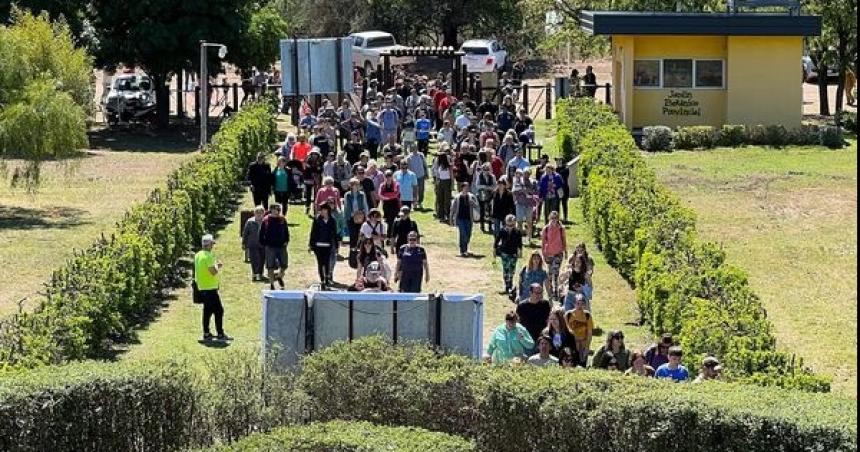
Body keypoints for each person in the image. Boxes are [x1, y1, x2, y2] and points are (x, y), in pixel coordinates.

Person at [195, 234, 229, 341]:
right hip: (210, 289)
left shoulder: (198, 255)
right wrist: (217, 266)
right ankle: (220, 333)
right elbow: (212, 272)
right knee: (219, 311)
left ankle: (206, 333)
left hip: (201, 287)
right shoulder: (208, 256)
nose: (212, 246)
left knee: (207, 311)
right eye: (212, 244)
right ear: (209, 244)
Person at [308, 202, 340, 289]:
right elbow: (313, 232)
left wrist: (336, 246)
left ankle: (327, 278)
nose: (323, 212)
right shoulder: (317, 220)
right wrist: (311, 244)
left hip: (328, 245)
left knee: (327, 263)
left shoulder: (332, 220)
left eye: (324, 210)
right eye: (321, 210)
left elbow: (335, 234)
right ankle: (322, 280)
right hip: (318, 245)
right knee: (320, 263)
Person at [259, 203, 290, 290]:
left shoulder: (282, 219)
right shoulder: (266, 220)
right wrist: (264, 243)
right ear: (271, 210)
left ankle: (280, 276)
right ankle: (272, 284)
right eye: (276, 209)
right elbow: (261, 233)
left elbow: (286, 231)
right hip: (270, 247)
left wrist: (287, 240)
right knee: (270, 266)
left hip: (281, 246)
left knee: (284, 264)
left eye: (278, 210)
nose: (277, 212)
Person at [516, 283, 552, 356]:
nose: (539, 295)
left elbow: (549, 318)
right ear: (530, 293)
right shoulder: (522, 306)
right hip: (528, 339)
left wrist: (548, 328)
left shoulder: (545, 304)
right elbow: (518, 322)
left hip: (542, 338)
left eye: (540, 293)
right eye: (536, 293)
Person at [541, 211, 567, 302]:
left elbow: (564, 240)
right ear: (549, 218)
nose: (554, 220)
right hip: (549, 254)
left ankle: (556, 292)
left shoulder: (561, 228)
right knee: (549, 273)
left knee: (556, 273)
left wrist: (565, 251)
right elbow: (543, 242)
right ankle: (550, 291)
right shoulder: (546, 229)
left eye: (555, 218)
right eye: (552, 218)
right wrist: (543, 254)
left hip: (558, 254)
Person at [494, 214, 523, 294]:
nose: (510, 226)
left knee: (512, 270)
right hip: (505, 253)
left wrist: (520, 252)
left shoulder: (517, 232)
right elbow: (497, 240)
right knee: (506, 269)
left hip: (513, 253)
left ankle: (510, 283)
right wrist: (494, 250)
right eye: (508, 224)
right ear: (505, 223)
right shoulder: (502, 231)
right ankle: (507, 286)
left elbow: (520, 243)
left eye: (512, 225)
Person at [450, 182, 479, 257]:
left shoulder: (471, 196)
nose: (467, 189)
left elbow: (477, 206)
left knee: (468, 234)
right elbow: (453, 209)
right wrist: (451, 219)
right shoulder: (457, 197)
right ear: (462, 188)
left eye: (468, 187)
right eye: (465, 187)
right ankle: (462, 250)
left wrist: (472, 203)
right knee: (463, 234)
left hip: (469, 219)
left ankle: (465, 249)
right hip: (460, 219)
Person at [564, 293, 593, 367]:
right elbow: (567, 328)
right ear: (574, 304)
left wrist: (587, 347)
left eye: (582, 304)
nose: (580, 306)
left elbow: (589, 332)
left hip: (583, 343)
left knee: (582, 363)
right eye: (578, 303)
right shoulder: (568, 314)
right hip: (572, 343)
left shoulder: (587, 315)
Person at [512, 168, 537, 244]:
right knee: (519, 222)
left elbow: (536, 192)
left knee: (529, 222)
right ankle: (519, 239)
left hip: (529, 204)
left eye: (528, 173)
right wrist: (521, 191)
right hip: (520, 203)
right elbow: (513, 191)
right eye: (525, 173)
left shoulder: (533, 182)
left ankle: (529, 238)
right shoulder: (518, 181)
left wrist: (529, 191)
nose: (526, 175)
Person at [241, 206, 266, 281]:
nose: (259, 215)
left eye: (260, 213)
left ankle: (260, 274)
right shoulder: (250, 222)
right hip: (253, 244)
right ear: (254, 213)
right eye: (257, 213)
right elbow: (245, 233)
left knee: (262, 259)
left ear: (263, 214)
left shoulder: (265, 221)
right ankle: (255, 274)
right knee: (254, 260)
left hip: (263, 244)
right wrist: (244, 243)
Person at [344, 177, 369, 249]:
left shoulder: (362, 194)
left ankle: (360, 250)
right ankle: (352, 250)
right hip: (351, 217)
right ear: (350, 186)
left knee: (360, 234)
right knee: (352, 234)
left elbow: (365, 205)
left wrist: (366, 216)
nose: (354, 186)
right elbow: (346, 207)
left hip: (361, 217)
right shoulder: (347, 195)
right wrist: (347, 217)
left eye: (356, 184)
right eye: (353, 185)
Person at [473, 162, 497, 234]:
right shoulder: (479, 176)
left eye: (487, 170)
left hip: (490, 195)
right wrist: (484, 187)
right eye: (484, 169)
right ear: (482, 170)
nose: (486, 171)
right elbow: (477, 186)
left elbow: (494, 186)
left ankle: (490, 226)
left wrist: (489, 188)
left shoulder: (492, 176)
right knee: (482, 211)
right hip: (481, 195)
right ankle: (482, 226)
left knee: (490, 211)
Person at [432, 149, 453, 221]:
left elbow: (452, 177)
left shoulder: (449, 166)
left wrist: (452, 185)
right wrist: (436, 185)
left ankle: (447, 214)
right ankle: (441, 215)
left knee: (447, 200)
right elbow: (437, 176)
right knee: (440, 199)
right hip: (440, 182)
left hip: (447, 183)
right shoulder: (439, 166)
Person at [405, 144, 428, 210]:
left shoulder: (421, 155)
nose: (414, 149)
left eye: (415, 148)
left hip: (421, 175)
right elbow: (407, 168)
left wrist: (426, 173)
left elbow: (425, 164)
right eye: (413, 148)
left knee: (421, 189)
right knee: (414, 191)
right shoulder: (408, 157)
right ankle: (414, 203)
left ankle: (420, 202)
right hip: (413, 177)